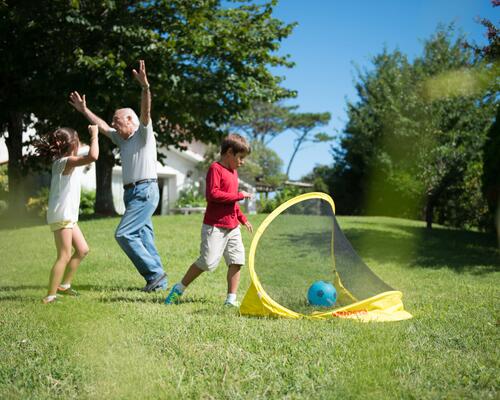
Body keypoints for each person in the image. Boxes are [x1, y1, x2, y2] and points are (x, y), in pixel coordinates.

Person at [68, 60, 167, 292]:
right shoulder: (122, 139)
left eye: (117, 120)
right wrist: (84, 110)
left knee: (124, 234)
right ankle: (159, 283)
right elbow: (102, 126)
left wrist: (145, 88)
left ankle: (155, 273)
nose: (113, 123)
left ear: (130, 121)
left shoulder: (143, 134)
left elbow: (146, 112)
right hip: (131, 193)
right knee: (144, 236)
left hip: (145, 190)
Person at [165, 134, 253, 307]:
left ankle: (230, 300)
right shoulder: (215, 169)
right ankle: (179, 289)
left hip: (232, 226)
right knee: (207, 262)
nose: (242, 162)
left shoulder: (234, 173)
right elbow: (212, 194)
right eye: (240, 157)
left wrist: (242, 219)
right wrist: (239, 195)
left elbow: (232, 202)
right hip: (215, 226)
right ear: (229, 152)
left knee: (237, 260)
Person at [35, 125, 99, 304]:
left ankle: (64, 286)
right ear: (73, 144)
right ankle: (50, 296)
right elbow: (93, 156)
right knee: (63, 255)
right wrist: (95, 135)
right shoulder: (66, 162)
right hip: (62, 216)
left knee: (82, 250)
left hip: (67, 215)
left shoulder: (64, 160)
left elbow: (86, 152)